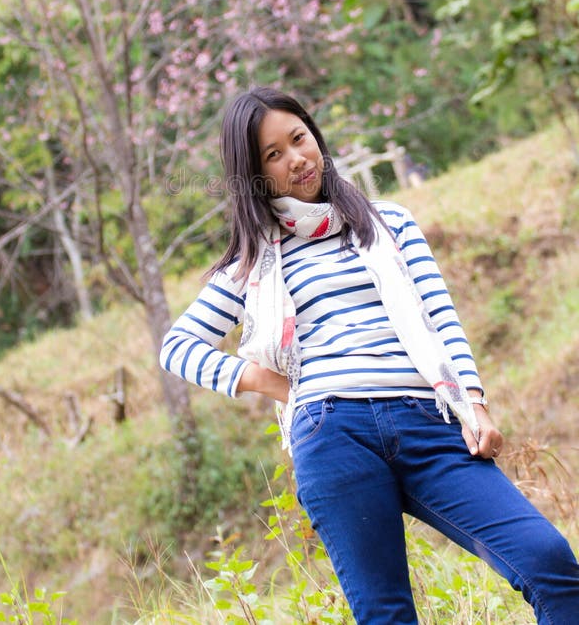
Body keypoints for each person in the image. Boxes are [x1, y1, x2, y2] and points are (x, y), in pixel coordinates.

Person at [160, 86, 579, 625]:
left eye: (299, 139)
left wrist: (474, 401)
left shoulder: (390, 223)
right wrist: (266, 382)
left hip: (428, 419)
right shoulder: (251, 263)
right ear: (255, 175)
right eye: (273, 155)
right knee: (386, 614)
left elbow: (440, 317)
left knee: (548, 561)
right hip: (333, 432)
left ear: (315, 136)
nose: (296, 159)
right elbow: (177, 347)